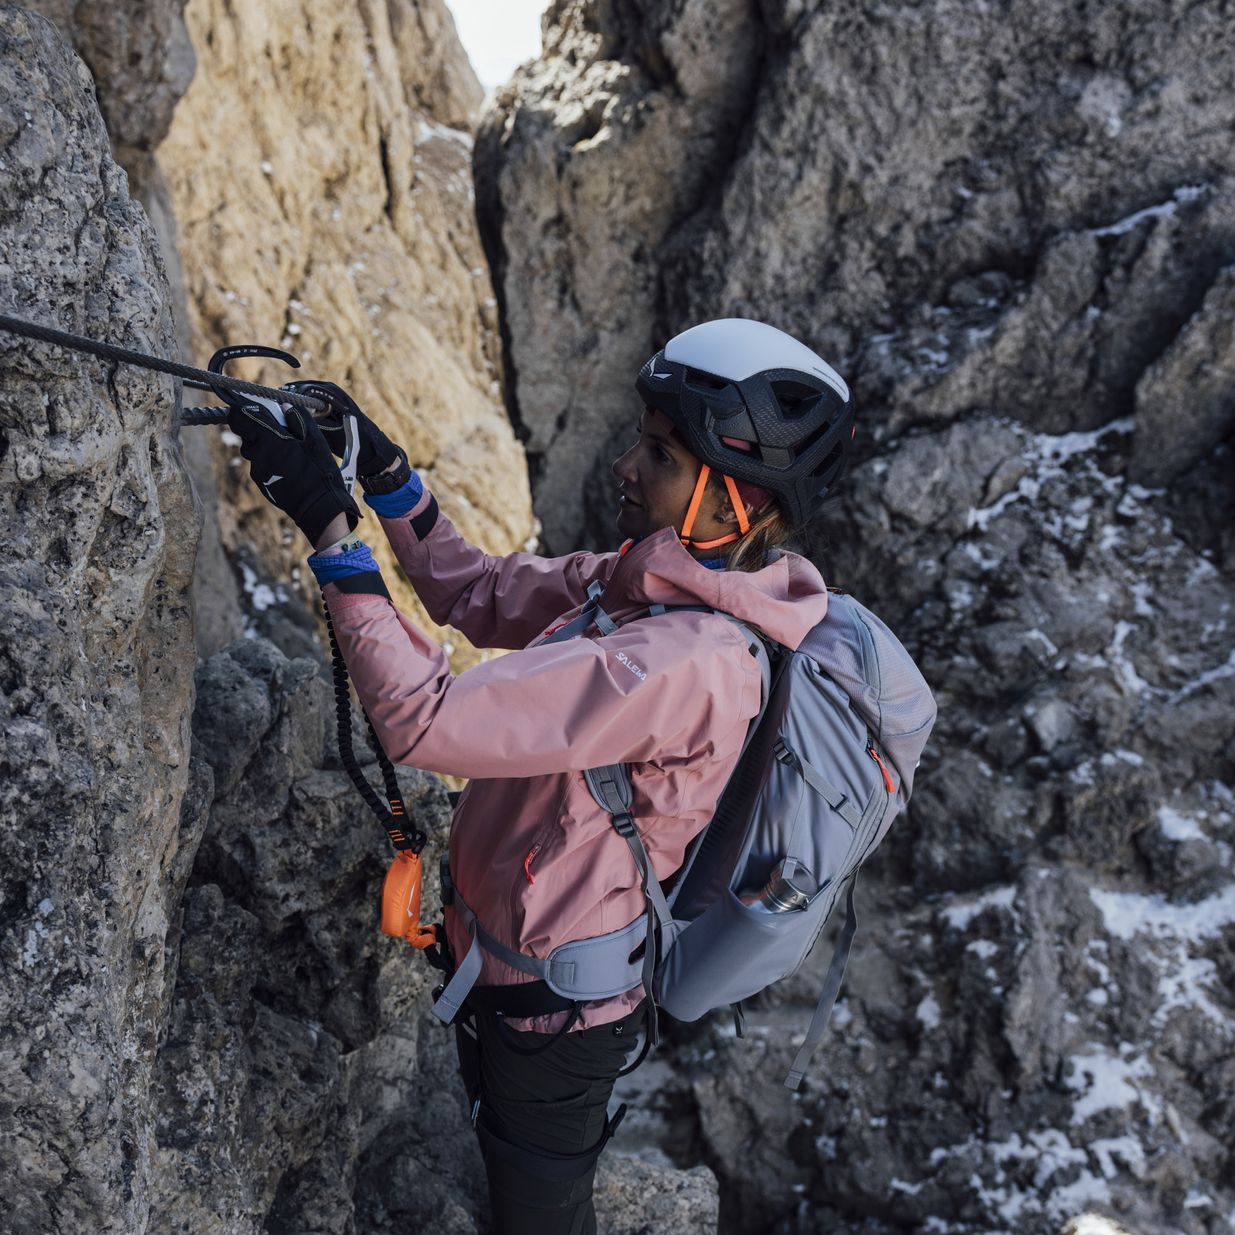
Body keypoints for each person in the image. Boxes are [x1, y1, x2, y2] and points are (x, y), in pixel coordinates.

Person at [226, 318, 854, 1235]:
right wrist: (384, 475)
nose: (626, 468)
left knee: (539, 1213)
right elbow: (476, 591)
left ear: (732, 505)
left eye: (659, 454)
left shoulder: (687, 661)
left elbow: (423, 719)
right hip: (517, 966)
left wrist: (331, 530)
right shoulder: (654, 578)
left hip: (559, 1012)